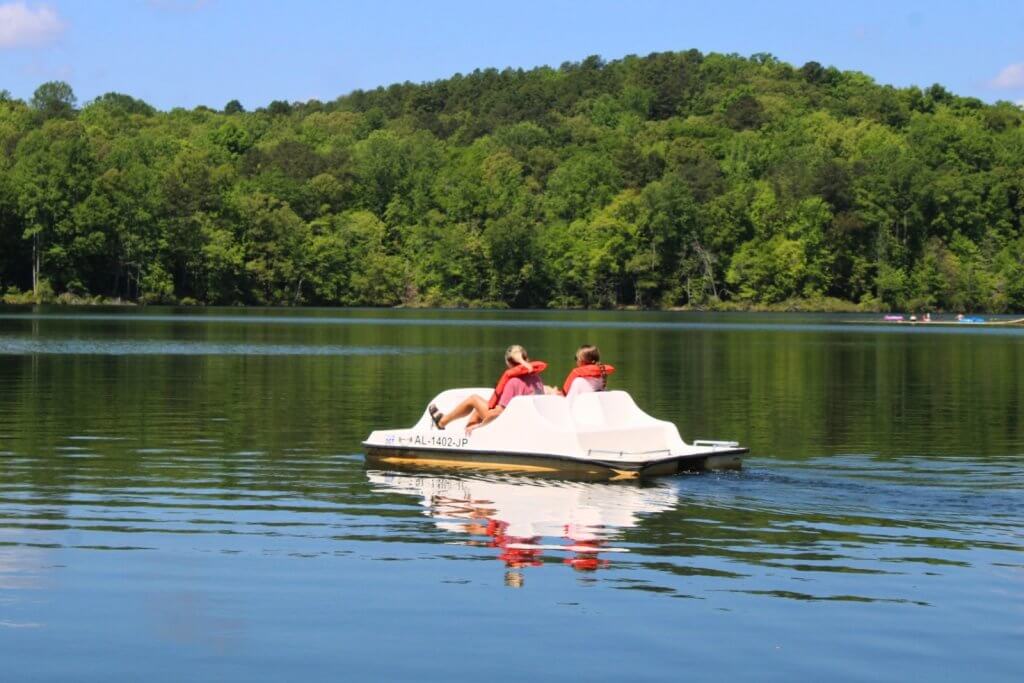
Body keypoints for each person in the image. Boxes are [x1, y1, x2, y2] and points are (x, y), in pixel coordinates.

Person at [429, 345, 546, 434]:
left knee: (473, 399)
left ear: (508, 363)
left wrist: (479, 427)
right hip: (527, 422)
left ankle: (442, 422)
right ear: (527, 359)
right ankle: (466, 434)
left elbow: (498, 413)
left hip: (509, 424)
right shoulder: (537, 379)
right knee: (477, 411)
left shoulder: (513, 382)